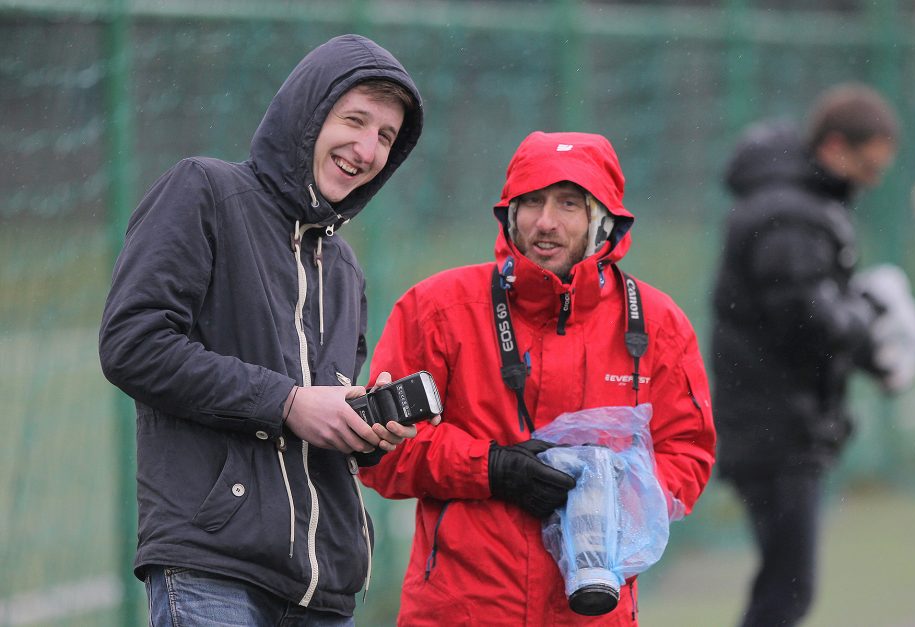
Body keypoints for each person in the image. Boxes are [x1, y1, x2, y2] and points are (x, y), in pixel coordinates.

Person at [99, 34, 429, 626]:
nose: (367, 148)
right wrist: (289, 402)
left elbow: (314, 423)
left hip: (324, 588)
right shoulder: (204, 189)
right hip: (212, 568)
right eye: (354, 120)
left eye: (385, 136)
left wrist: (363, 432)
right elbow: (133, 343)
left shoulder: (346, 268)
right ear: (306, 117)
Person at [359, 131, 717, 625]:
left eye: (569, 204)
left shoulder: (658, 324)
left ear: (603, 220)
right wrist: (491, 469)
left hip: (593, 611)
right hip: (459, 611)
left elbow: (688, 454)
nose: (545, 223)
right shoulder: (437, 310)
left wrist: (610, 487)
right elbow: (380, 453)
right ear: (510, 214)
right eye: (530, 202)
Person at [710, 83, 900, 627]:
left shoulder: (797, 206)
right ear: (836, 147)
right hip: (774, 428)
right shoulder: (788, 215)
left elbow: (808, 305)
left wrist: (859, 322)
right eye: (867, 165)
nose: (871, 180)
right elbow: (803, 317)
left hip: (782, 423)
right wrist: (870, 325)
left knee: (785, 585)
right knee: (786, 591)